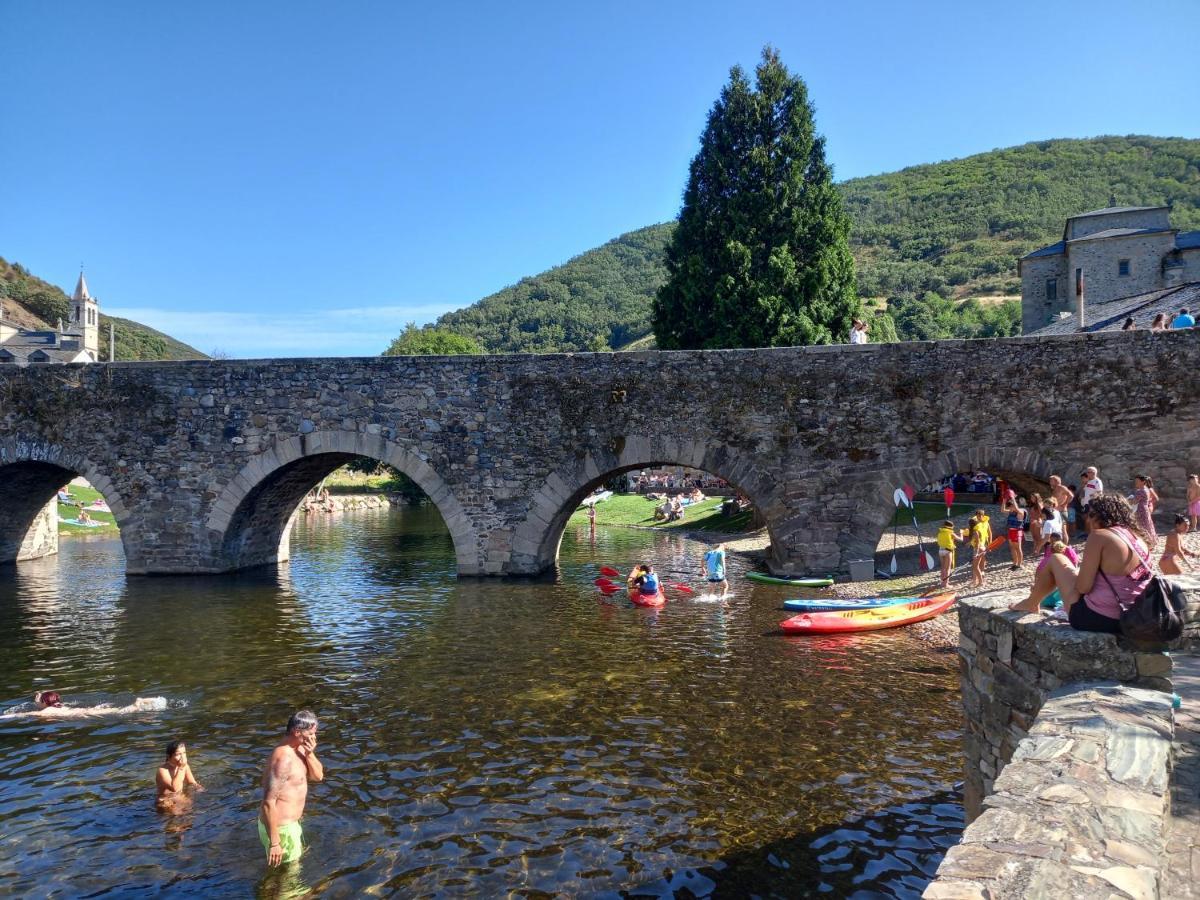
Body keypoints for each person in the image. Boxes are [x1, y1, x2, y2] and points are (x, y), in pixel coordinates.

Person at [1009, 493, 1152, 635]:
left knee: (1056, 559)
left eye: (1090, 515)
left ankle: (1032, 602)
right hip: (1136, 617)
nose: (1088, 521)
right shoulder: (1138, 538)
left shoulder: (1100, 536)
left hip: (1101, 618)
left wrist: (1074, 575)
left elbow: (1083, 587)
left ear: (1099, 515)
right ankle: (1032, 602)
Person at [260, 710, 324, 867]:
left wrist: (310, 754)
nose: (314, 737)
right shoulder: (283, 758)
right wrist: (275, 843)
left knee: (286, 870)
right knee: (290, 878)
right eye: (311, 733)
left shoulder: (301, 749)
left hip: (291, 826)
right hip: (282, 830)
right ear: (297, 732)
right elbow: (268, 801)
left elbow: (318, 777)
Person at [156, 740, 203, 811]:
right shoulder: (162, 770)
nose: (182, 757)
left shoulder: (185, 766)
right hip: (166, 799)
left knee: (191, 812)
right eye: (178, 754)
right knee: (170, 809)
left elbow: (192, 782)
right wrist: (181, 768)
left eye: (184, 753)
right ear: (169, 756)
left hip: (179, 797)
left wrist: (200, 788)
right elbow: (175, 789)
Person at [1129, 474, 1160, 551]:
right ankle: (1151, 543)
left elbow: (1134, 501)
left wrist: (1128, 500)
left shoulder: (1141, 491)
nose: (1135, 483)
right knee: (1147, 526)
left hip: (1141, 510)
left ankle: (1148, 543)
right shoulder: (1146, 489)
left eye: (1137, 481)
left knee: (1142, 526)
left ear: (1143, 482)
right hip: (1144, 508)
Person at [967, 509, 992, 588]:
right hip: (981, 547)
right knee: (975, 565)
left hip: (980, 547)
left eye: (979, 515)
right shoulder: (978, 526)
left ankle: (980, 582)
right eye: (977, 516)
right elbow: (975, 538)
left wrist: (976, 553)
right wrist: (969, 542)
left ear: (983, 515)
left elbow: (978, 541)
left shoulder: (982, 525)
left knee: (976, 566)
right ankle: (975, 581)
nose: (978, 517)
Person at [1049, 476, 1075, 542]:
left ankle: (1065, 547)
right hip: (1056, 512)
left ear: (1056, 481)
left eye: (1051, 480)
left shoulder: (1061, 487)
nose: (1050, 482)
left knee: (1063, 530)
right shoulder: (1055, 489)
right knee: (1057, 530)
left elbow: (1071, 495)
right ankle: (1058, 546)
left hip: (1061, 511)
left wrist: (1064, 504)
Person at [936, 520, 960, 589]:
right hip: (948, 551)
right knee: (947, 568)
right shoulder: (951, 533)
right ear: (951, 526)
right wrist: (961, 533)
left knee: (943, 568)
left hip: (941, 550)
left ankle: (942, 582)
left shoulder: (940, 532)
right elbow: (960, 539)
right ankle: (946, 584)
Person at [1003, 498, 1026, 570]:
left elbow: (1016, 508)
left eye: (1011, 506)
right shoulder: (1011, 511)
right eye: (1009, 507)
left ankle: (1019, 564)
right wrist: (1004, 501)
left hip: (1017, 532)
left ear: (1015, 505)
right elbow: (1002, 510)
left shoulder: (1021, 512)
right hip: (1011, 531)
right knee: (1012, 548)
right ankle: (1015, 563)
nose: (1010, 508)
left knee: (1018, 548)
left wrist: (1013, 499)